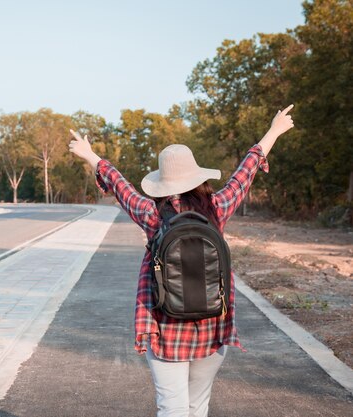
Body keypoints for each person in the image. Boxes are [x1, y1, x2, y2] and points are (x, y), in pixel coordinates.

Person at [68, 105, 295, 417]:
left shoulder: (151, 214)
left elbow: (121, 186)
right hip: (212, 326)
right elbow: (246, 172)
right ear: (197, 177)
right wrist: (274, 130)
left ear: (162, 183)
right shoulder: (217, 208)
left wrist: (90, 155)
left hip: (164, 328)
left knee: (172, 409)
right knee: (196, 407)